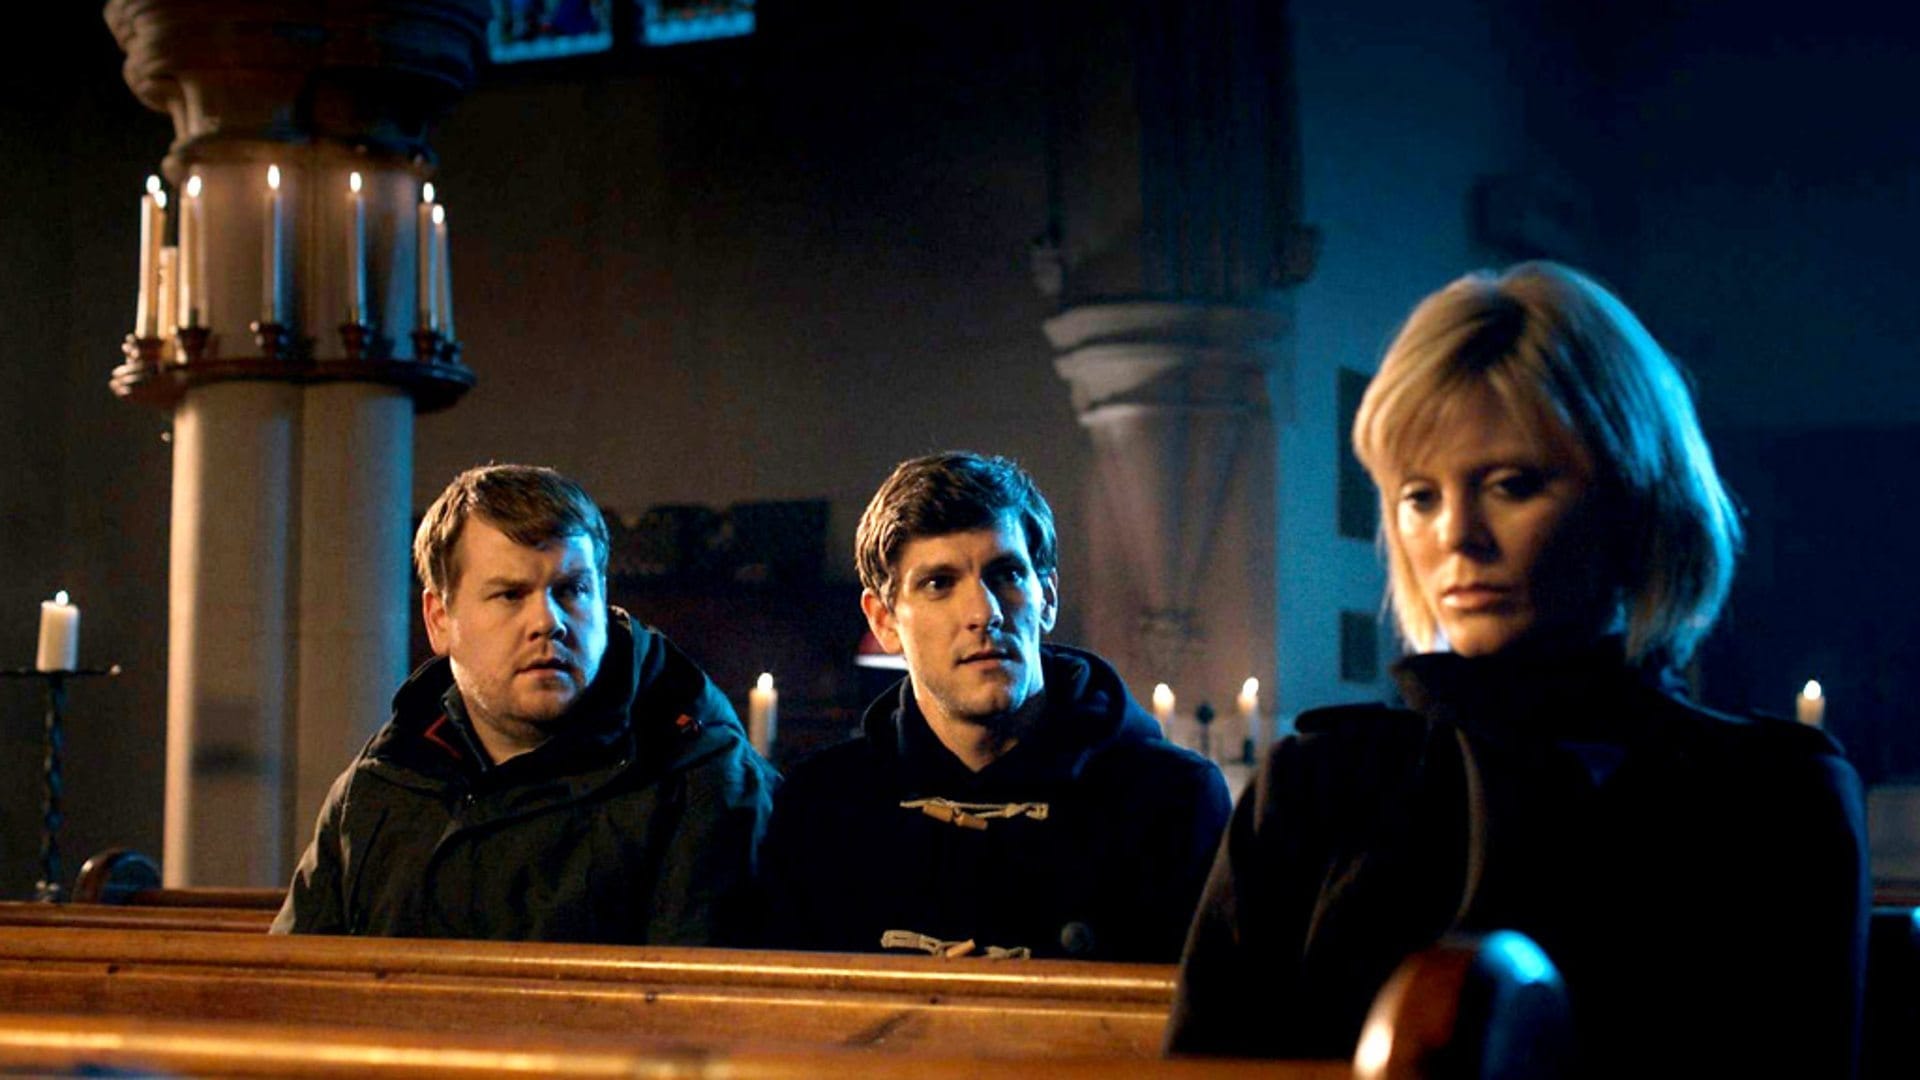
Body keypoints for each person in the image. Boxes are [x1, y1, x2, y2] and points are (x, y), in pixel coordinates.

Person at [1166, 262, 1868, 1074]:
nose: (1456, 536)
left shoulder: (1774, 797)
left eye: (1511, 484)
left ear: (1635, 499)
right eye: (1420, 496)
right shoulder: (1317, 784)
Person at [759, 452, 1232, 961]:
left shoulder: (1173, 800)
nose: (984, 613)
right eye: (939, 583)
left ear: (1047, 596)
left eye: (1006, 574)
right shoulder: (820, 808)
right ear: (884, 621)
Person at [274, 464, 776, 942]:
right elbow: (293, 983)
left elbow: (697, 995)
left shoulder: (701, 778)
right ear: (439, 619)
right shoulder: (383, 782)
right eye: (511, 595)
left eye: (572, 590)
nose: (548, 622)